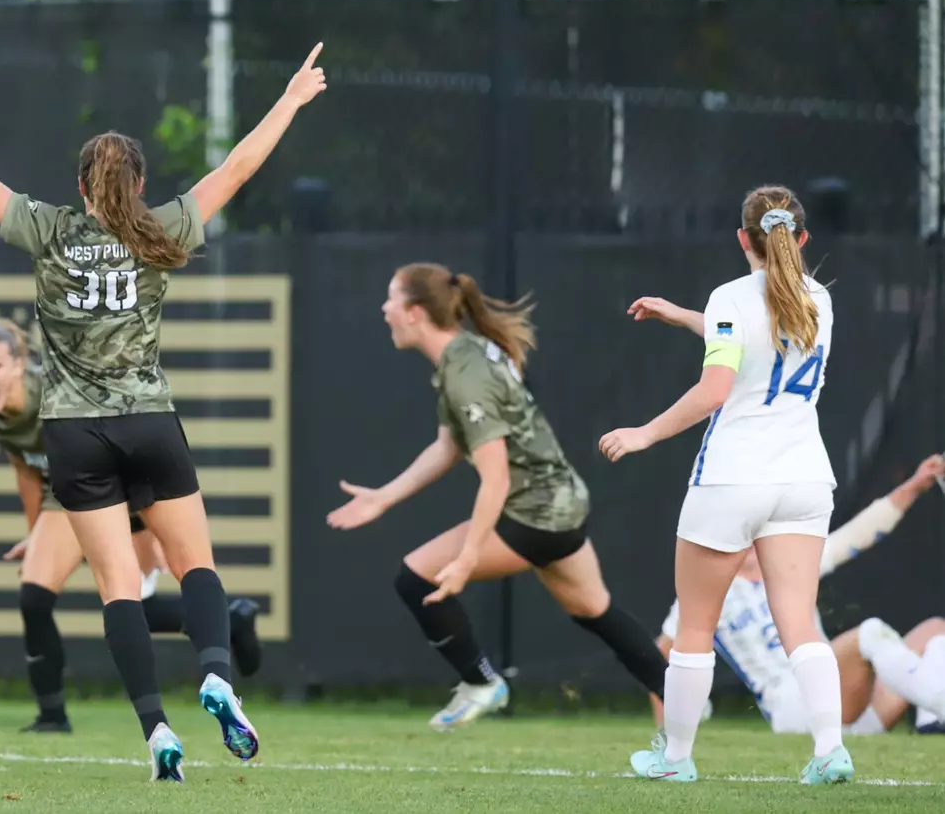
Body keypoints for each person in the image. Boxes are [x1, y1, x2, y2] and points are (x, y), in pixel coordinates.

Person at [0, 34, 325, 781]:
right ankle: (217, 674)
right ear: (137, 183)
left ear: (81, 184)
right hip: (149, 421)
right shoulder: (160, 231)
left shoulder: (50, 230)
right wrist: (289, 99)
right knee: (196, 566)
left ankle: (157, 730)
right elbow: (239, 168)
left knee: (117, 589)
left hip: (74, 433)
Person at [327, 263, 670, 730]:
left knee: (416, 579)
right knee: (595, 609)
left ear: (414, 313)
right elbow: (449, 446)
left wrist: (467, 558)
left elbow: (496, 479)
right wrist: (384, 498)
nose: (384, 309)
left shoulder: (466, 373)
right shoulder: (461, 357)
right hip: (561, 502)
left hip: (538, 512)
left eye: (391, 299)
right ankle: (681, 699)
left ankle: (482, 682)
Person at [600, 185, 851, 785]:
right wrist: (685, 315)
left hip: (734, 479)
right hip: (805, 478)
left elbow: (718, 387)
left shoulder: (732, 297)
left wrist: (645, 433)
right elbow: (761, 335)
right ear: (802, 238)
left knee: (693, 626)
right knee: (800, 624)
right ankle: (830, 750)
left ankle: (677, 760)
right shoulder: (818, 298)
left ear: (743, 238)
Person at [632, 291, 945, 737]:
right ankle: (935, 709)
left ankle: (932, 720)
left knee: (934, 630)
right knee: (869, 633)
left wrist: (913, 487)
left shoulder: (791, 556)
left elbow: (861, 533)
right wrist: (669, 724)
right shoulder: (714, 580)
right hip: (791, 708)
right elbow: (664, 651)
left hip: (851, 708)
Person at [0, 318, 264, 733]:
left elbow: (112, 450)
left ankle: (229, 621)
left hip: (109, 488)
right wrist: (36, 534)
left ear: (20, 365)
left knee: (131, 601)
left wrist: (145, 526)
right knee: (36, 597)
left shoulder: (50, 396)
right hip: (65, 497)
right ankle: (52, 716)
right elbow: (27, 471)